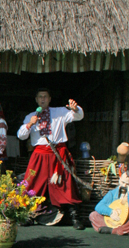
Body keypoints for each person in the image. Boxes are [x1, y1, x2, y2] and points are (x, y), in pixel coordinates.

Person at [17, 88, 85, 229]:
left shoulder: (60, 112)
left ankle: (74, 218)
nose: (43, 99)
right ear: (36, 99)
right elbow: (21, 135)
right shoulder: (31, 116)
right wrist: (30, 124)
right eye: (40, 97)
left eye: (45, 97)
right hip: (39, 154)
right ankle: (28, 215)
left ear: (49, 99)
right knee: (31, 183)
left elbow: (78, 116)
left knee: (66, 184)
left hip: (58, 154)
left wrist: (75, 108)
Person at [89, 169, 129, 234]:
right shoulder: (112, 193)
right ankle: (119, 230)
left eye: (127, 184)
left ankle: (113, 231)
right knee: (93, 215)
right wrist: (111, 212)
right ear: (119, 179)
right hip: (112, 221)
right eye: (122, 182)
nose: (124, 186)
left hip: (127, 221)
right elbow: (98, 206)